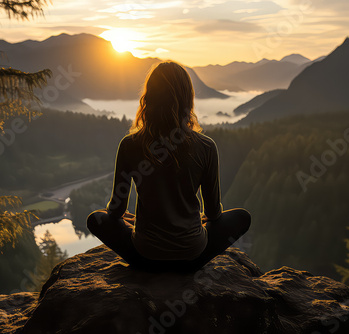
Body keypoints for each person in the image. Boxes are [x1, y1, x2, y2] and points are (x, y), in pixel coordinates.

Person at [87, 61, 251, 272]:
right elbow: (213, 214)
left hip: (145, 256)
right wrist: (195, 221)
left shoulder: (129, 145)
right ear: (187, 99)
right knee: (242, 217)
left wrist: (129, 221)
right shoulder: (206, 147)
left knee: (96, 219)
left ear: (149, 98)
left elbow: (117, 211)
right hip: (193, 256)